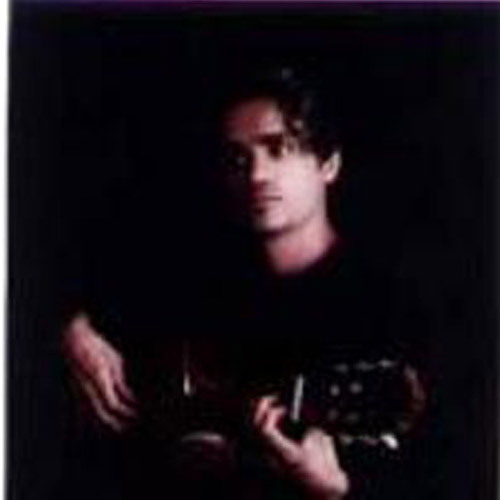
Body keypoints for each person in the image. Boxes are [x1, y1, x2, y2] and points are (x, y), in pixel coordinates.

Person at [62, 66, 426, 499]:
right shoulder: (193, 271)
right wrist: (73, 331)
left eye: (278, 149)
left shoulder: (386, 304)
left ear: (328, 163)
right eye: (238, 158)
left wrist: (336, 487)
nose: (256, 175)